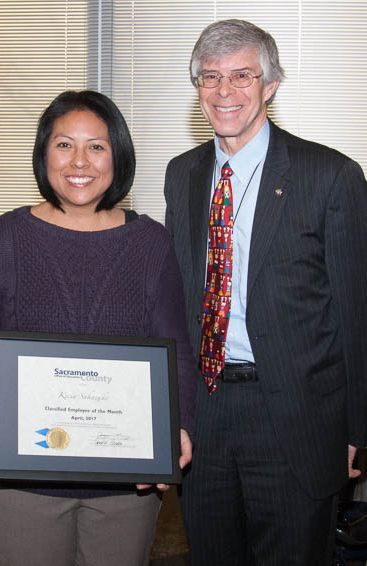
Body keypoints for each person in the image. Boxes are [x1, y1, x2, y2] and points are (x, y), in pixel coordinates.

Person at [0, 89, 196, 566]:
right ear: (44, 154)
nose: (80, 161)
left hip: (127, 484)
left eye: (96, 146)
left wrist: (178, 426)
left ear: (117, 155)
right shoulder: (5, 238)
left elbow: (177, 352)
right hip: (24, 482)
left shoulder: (152, 244)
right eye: (64, 144)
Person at [164, 18, 367, 566]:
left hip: (295, 417)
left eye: (241, 76)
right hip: (203, 414)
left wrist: (357, 434)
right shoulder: (181, 175)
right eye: (209, 78)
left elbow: (356, 313)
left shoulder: (331, 176)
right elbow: (178, 299)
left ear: (270, 86)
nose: (224, 92)